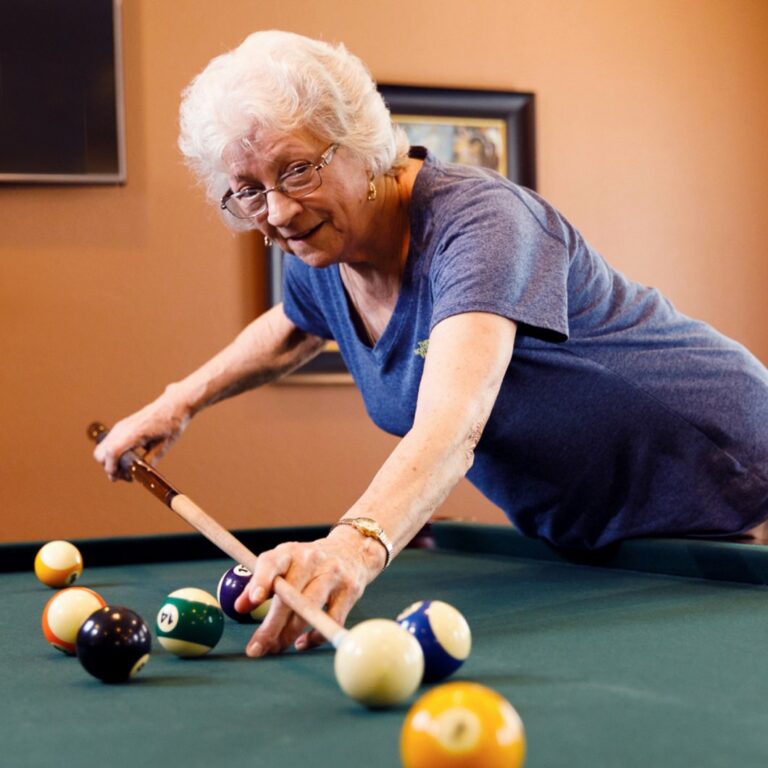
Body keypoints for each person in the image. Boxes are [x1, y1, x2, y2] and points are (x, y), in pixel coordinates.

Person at [94, 30, 768, 658]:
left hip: (728, 472)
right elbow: (292, 326)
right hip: (605, 529)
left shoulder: (480, 224)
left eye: (298, 171)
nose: (278, 213)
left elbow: (451, 423)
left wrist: (351, 547)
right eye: (247, 191)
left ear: (363, 144)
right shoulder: (329, 252)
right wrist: (178, 403)